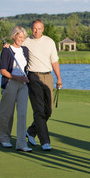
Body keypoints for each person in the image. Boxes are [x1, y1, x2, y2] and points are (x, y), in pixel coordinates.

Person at [24, 19, 63, 151]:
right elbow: (15, 47)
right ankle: (45, 141)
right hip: (33, 76)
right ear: (31, 29)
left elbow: (55, 61)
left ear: (43, 29)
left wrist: (59, 78)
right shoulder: (26, 41)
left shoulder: (49, 41)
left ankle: (31, 132)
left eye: (39, 28)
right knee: (39, 110)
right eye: (34, 28)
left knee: (48, 110)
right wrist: (7, 47)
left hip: (48, 77)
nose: (36, 31)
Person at [0, 26, 32, 152]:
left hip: (23, 85)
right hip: (10, 83)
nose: (22, 40)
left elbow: (26, 67)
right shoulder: (7, 50)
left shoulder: (25, 50)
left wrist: (24, 78)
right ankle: (4, 138)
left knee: (22, 114)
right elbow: (3, 71)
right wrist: (16, 77)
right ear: (14, 36)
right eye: (20, 37)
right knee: (7, 112)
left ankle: (21, 143)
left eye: (24, 37)